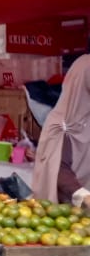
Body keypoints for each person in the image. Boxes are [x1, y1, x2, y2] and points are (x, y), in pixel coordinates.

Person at [32, 54, 90, 207]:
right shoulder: (60, 126)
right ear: (80, 83)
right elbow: (57, 169)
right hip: (60, 212)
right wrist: (83, 195)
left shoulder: (86, 118)